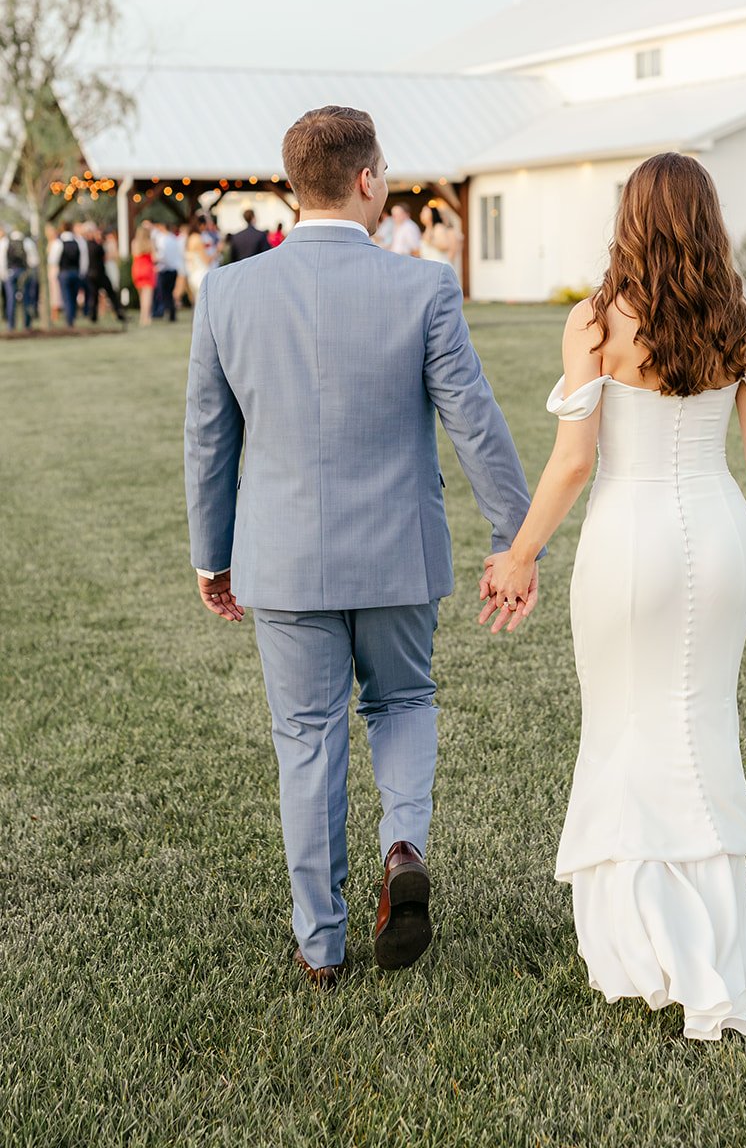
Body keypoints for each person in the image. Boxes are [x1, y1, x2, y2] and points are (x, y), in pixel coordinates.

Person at [184, 105, 537, 988]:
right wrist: (513, 533)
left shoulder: (226, 292)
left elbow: (207, 437)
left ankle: (321, 946)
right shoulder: (422, 289)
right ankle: (403, 842)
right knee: (404, 701)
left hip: (284, 559)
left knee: (305, 737)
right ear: (370, 179)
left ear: (293, 187)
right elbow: (474, 420)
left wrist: (210, 554)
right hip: (398, 554)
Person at [481, 152, 746, 1041]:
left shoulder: (594, 323)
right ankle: (716, 940)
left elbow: (575, 461)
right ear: (708, 219)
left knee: (626, 725)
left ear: (630, 219)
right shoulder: (741, 322)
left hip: (627, 543)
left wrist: (519, 555)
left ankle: (638, 947)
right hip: (718, 537)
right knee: (698, 722)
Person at [84, 226, 126, 323]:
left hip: (93, 273)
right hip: (98, 274)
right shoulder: (95, 246)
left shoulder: (88, 245)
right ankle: (117, 313)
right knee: (109, 294)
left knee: (95, 296)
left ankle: (94, 316)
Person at [1, 227, 37, 329]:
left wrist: (3, 275)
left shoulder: (5, 242)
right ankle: (27, 324)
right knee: (26, 299)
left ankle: (11, 325)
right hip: (24, 273)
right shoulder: (27, 242)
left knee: (10, 299)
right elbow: (33, 261)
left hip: (10, 273)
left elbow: (2, 260)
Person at [51, 222, 86, 327]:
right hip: (76, 272)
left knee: (67, 297)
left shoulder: (58, 243)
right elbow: (83, 260)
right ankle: (72, 318)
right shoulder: (79, 242)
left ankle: (69, 320)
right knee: (73, 296)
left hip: (64, 272)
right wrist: (82, 273)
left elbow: (53, 260)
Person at [418, 204, 460, 271]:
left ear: (432, 214)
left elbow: (444, 245)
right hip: (428, 268)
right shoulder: (426, 230)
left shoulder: (438, 227)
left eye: (425, 212)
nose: (421, 214)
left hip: (438, 267)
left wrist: (430, 241)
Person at [155, 224, 183, 323]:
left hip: (165, 269)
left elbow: (163, 256)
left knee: (165, 293)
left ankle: (169, 312)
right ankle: (172, 312)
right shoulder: (174, 239)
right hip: (174, 269)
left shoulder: (163, 240)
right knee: (170, 293)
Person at [131, 223, 156, 325]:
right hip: (147, 269)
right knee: (147, 295)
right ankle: (146, 317)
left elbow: (134, 255)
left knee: (141, 295)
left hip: (137, 269)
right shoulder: (150, 243)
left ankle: (142, 316)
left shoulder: (134, 243)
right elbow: (154, 258)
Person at [184, 215, 211, 302]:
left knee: (197, 303)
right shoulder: (198, 238)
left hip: (192, 274)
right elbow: (206, 260)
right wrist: (217, 251)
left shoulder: (189, 238)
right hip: (201, 273)